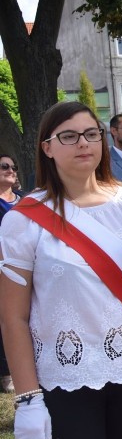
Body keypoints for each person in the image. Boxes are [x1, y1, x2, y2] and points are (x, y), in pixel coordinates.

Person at [0, 101, 122, 439]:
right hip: (66, 379)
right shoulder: (23, 220)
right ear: (47, 147)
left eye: (91, 134)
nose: (83, 143)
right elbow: (13, 316)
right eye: (69, 136)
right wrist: (28, 397)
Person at [0, 154, 24, 394]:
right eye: (4, 166)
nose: (10, 170)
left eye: (13, 167)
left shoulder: (24, 200)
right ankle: (7, 372)